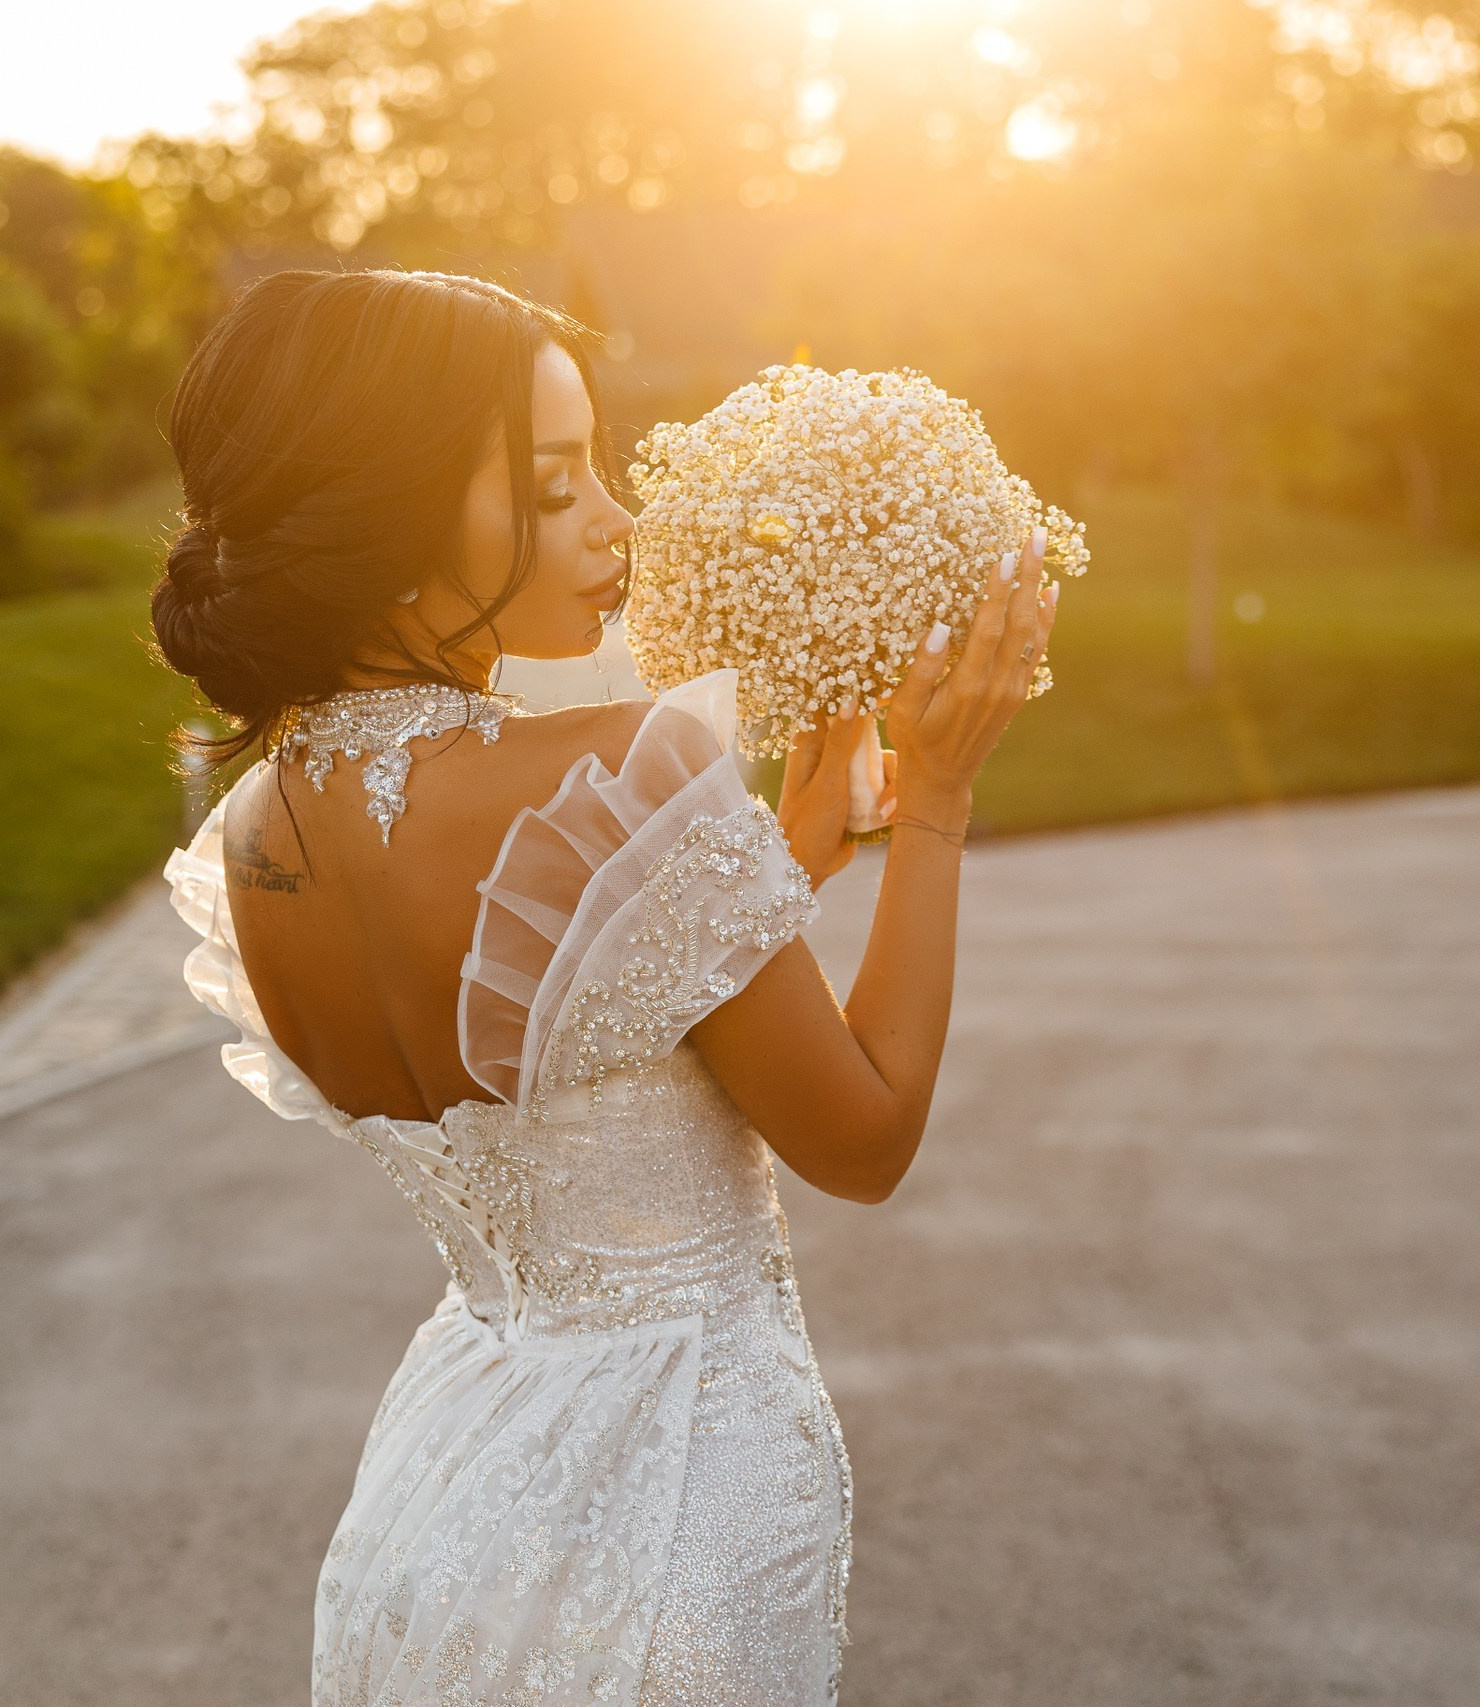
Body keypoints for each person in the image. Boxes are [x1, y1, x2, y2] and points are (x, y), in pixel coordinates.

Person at [150, 269, 1056, 1707]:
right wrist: (936, 797)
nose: (616, 524)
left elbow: (569, 1022)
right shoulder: (613, 773)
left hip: (445, 1502)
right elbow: (863, 1137)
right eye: (555, 481)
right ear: (392, 523)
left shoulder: (262, 829)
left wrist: (791, 849)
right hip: (674, 1515)